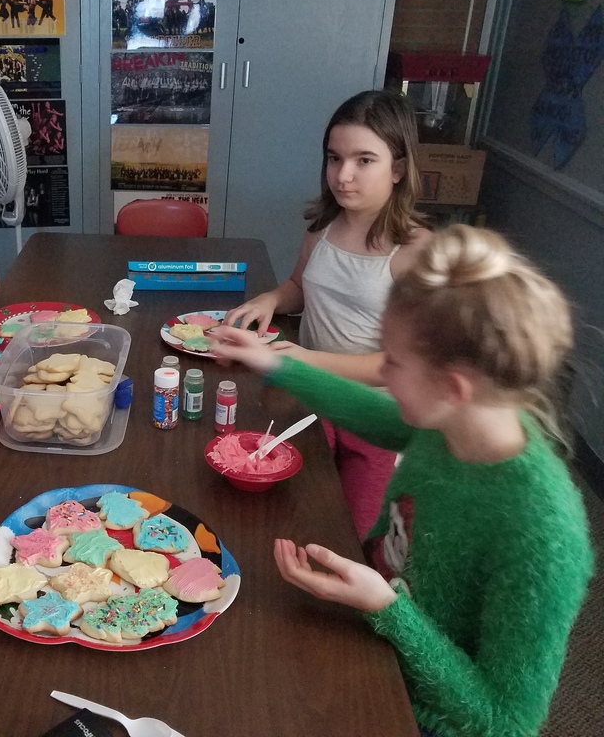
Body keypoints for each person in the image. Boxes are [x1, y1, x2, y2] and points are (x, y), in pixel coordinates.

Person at [210, 224, 593, 737]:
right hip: (373, 631)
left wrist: (389, 609)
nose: (381, 373)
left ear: (453, 387)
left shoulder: (543, 534)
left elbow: (505, 722)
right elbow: (379, 416)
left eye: (392, 361)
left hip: (418, 711)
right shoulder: (457, 420)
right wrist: (276, 364)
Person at [224, 90, 433, 538]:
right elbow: (301, 287)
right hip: (312, 400)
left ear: (398, 168)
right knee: (296, 514)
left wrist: (301, 359)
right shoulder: (324, 227)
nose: (343, 175)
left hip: (373, 418)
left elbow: (399, 367)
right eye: (334, 158)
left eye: (364, 160)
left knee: (352, 534)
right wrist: (271, 300)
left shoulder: (416, 252)